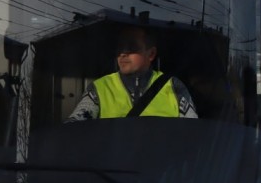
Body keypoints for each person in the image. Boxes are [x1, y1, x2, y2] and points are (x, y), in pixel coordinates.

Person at [67, 28, 197, 121]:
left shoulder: (174, 86)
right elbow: (74, 129)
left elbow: (193, 133)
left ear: (151, 54)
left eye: (131, 47)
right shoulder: (99, 88)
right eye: (120, 47)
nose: (123, 53)